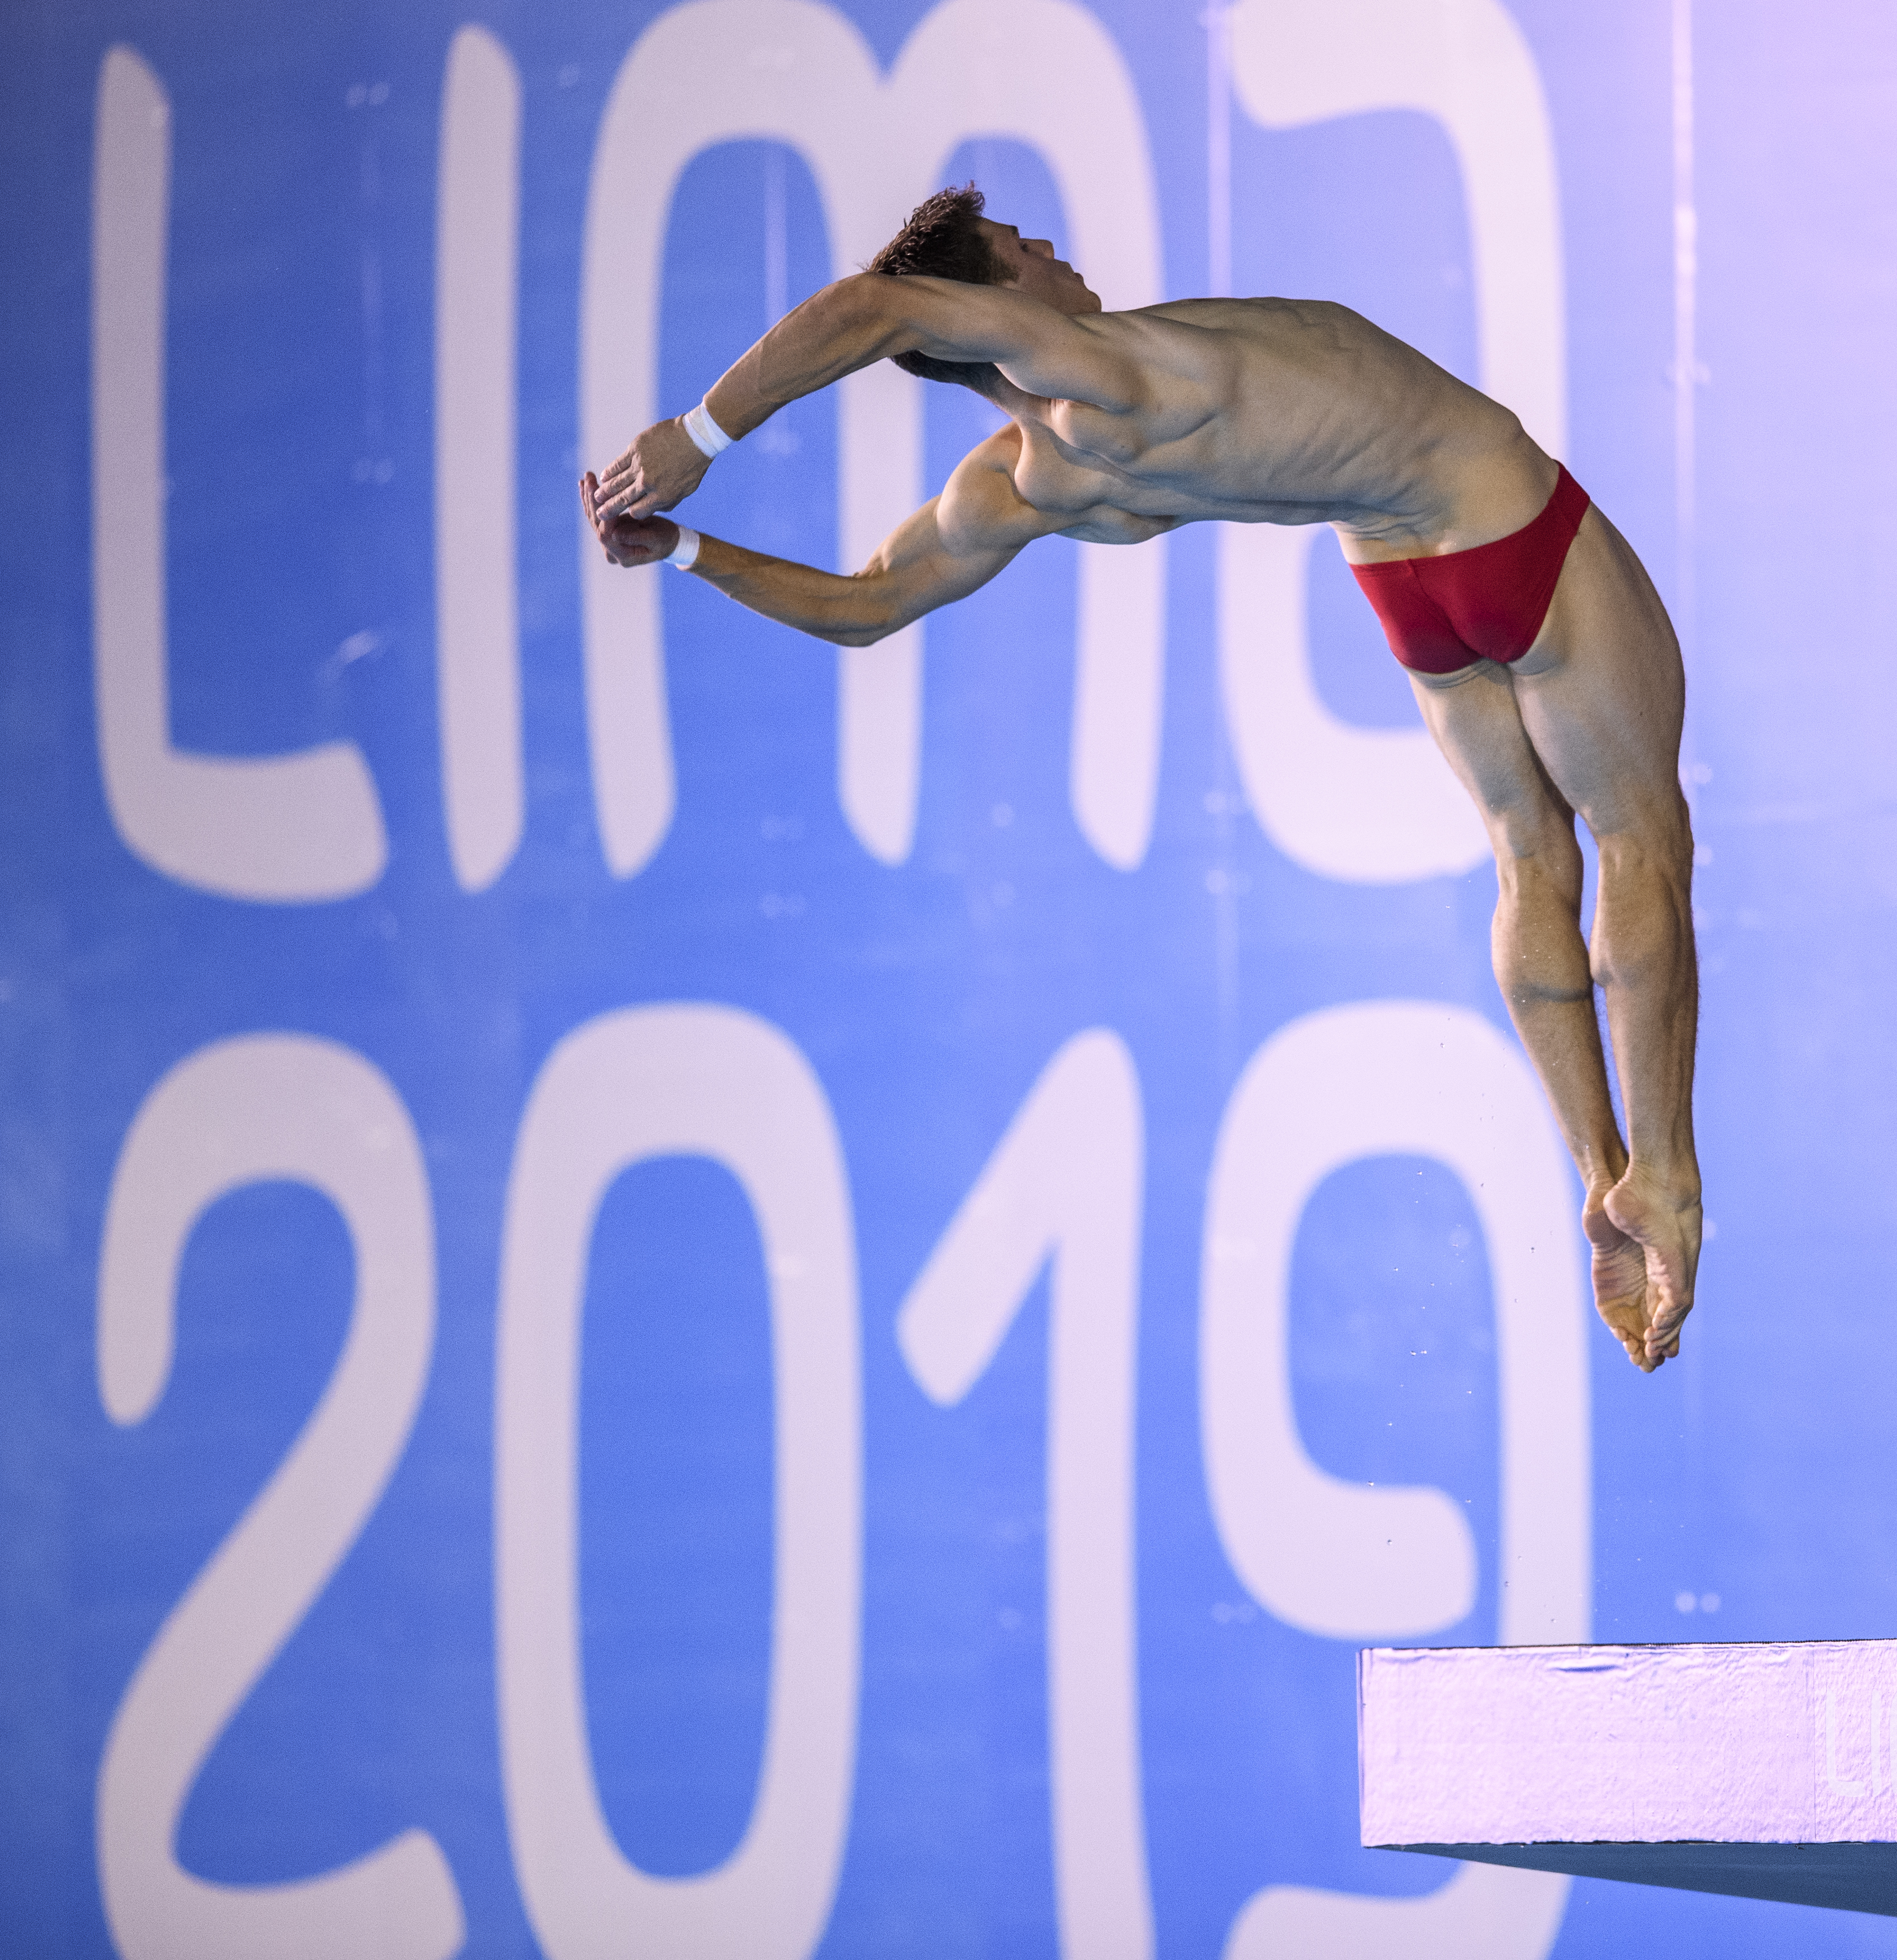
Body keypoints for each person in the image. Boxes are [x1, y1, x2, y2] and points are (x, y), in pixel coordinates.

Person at [582, 186, 1702, 1372]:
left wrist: (689, 553)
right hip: (1489, 511)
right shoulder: (1099, 367)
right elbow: (870, 304)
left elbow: (864, 607)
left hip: (1400, 580)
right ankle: (1667, 1176)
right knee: (1641, 839)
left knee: (1530, 856)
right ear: (979, 308)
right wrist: (695, 441)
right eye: (1024, 251)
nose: (1055, 252)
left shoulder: (1017, 481)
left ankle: (1597, 1177)